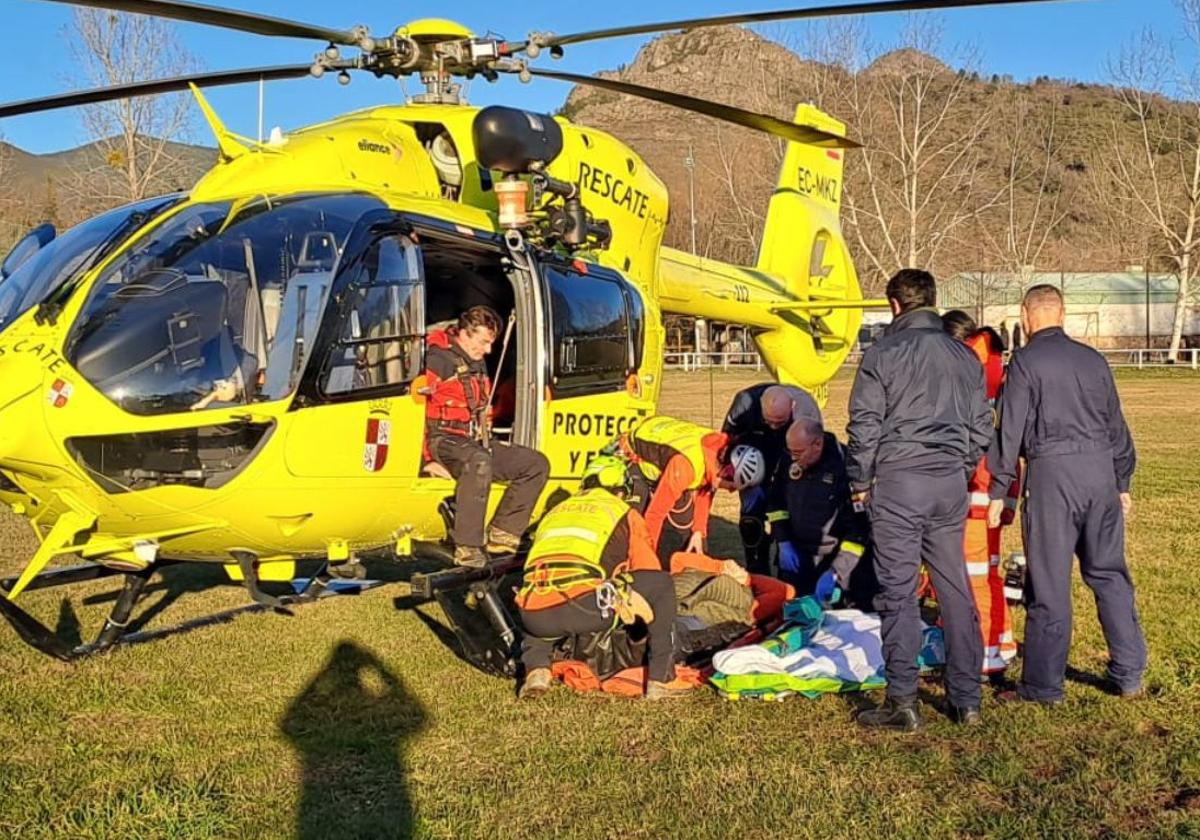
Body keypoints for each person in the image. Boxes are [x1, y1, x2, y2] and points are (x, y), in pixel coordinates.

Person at [847, 268, 993, 730]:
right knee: (954, 587)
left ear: (894, 305)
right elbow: (981, 427)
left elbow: (864, 425)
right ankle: (966, 698)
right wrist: (961, 465)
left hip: (899, 481)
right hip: (949, 481)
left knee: (899, 591)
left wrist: (859, 479)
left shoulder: (883, 352)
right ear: (932, 300)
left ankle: (903, 700)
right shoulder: (964, 355)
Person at [986, 285, 1145, 704]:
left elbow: (1010, 430)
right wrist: (1121, 481)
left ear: (1026, 315)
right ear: (1063, 313)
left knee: (1050, 582)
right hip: (1100, 471)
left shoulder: (1024, 362)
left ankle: (1042, 685)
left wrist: (1000, 490)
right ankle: (1129, 672)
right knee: (1110, 574)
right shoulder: (1094, 360)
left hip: (1053, 475)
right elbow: (1117, 426)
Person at [515, 456, 688, 700]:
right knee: (661, 584)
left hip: (532, 614)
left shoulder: (555, 511)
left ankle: (536, 671)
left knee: (545, 595)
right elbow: (648, 570)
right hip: (584, 609)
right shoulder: (622, 511)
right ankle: (661, 680)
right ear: (620, 490)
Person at [423, 305, 549, 568]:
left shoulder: (476, 362)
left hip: (473, 441)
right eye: (483, 342)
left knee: (535, 464)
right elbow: (415, 414)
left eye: (492, 343)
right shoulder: (435, 360)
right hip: (441, 440)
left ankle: (503, 533)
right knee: (479, 461)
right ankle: (467, 546)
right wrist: (425, 460)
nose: (488, 350)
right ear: (464, 334)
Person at [943, 314, 1020, 678]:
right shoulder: (989, 376)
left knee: (972, 577)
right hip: (992, 491)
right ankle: (996, 642)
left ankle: (986, 652)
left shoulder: (965, 379)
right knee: (984, 575)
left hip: (975, 494)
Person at [766, 418, 873, 606]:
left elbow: (859, 528)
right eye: (791, 452)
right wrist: (783, 541)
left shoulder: (846, 469)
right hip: (796, 556)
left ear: (817, 444)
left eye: (798, 453)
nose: (793, 458)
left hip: (831, 559)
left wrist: (837, 571)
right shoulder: (789, 458)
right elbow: (776, 502)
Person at [721, 383, 823, 574]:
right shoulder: (743, 403)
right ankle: (756, 566)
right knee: (751, 516)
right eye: (769, 421)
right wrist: (728, 464)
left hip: (792, 455)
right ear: (760, 406)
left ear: (792, 407)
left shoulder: (806, 412)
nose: (774, 426)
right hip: (755, 454)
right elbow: (726, 439)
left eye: (780, 422)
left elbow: (814, 455)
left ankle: (788, 566)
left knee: (792, 511)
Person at [617, 415, 730, 562]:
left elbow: (705, 488)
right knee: (633, 525)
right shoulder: (686, 466)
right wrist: (648, 566)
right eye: (731, 486)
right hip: (629, 456)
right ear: (723, 473)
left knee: (686, 536)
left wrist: (698, 531)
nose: (731, 491)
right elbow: (655, 515)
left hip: (666, 459)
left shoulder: (715, 452)